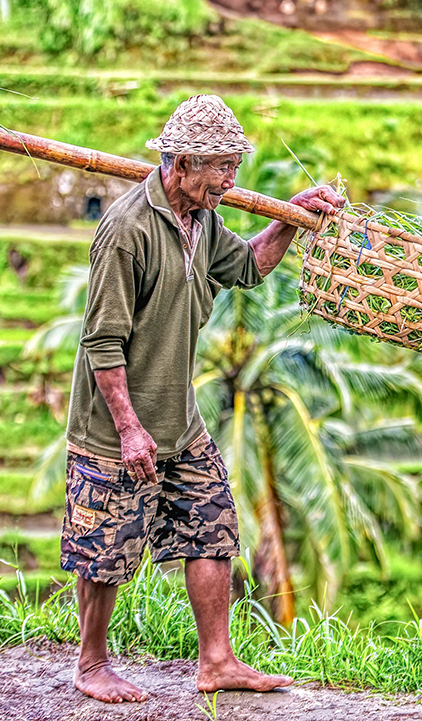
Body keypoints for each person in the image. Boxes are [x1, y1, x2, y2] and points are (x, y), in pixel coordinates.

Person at [61, 94, 345, 703]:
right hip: (116, 426)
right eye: (220, 166)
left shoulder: (204, 220)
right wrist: (130, 430)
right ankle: (90, 664)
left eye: (233, 166)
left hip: (179, 419)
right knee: (105, 549)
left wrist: (289, 217)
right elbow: (103, 341)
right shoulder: (126, 232)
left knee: (212, 525)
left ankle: (217, 661)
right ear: (182, 164)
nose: (230, 179)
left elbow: (248, 267)